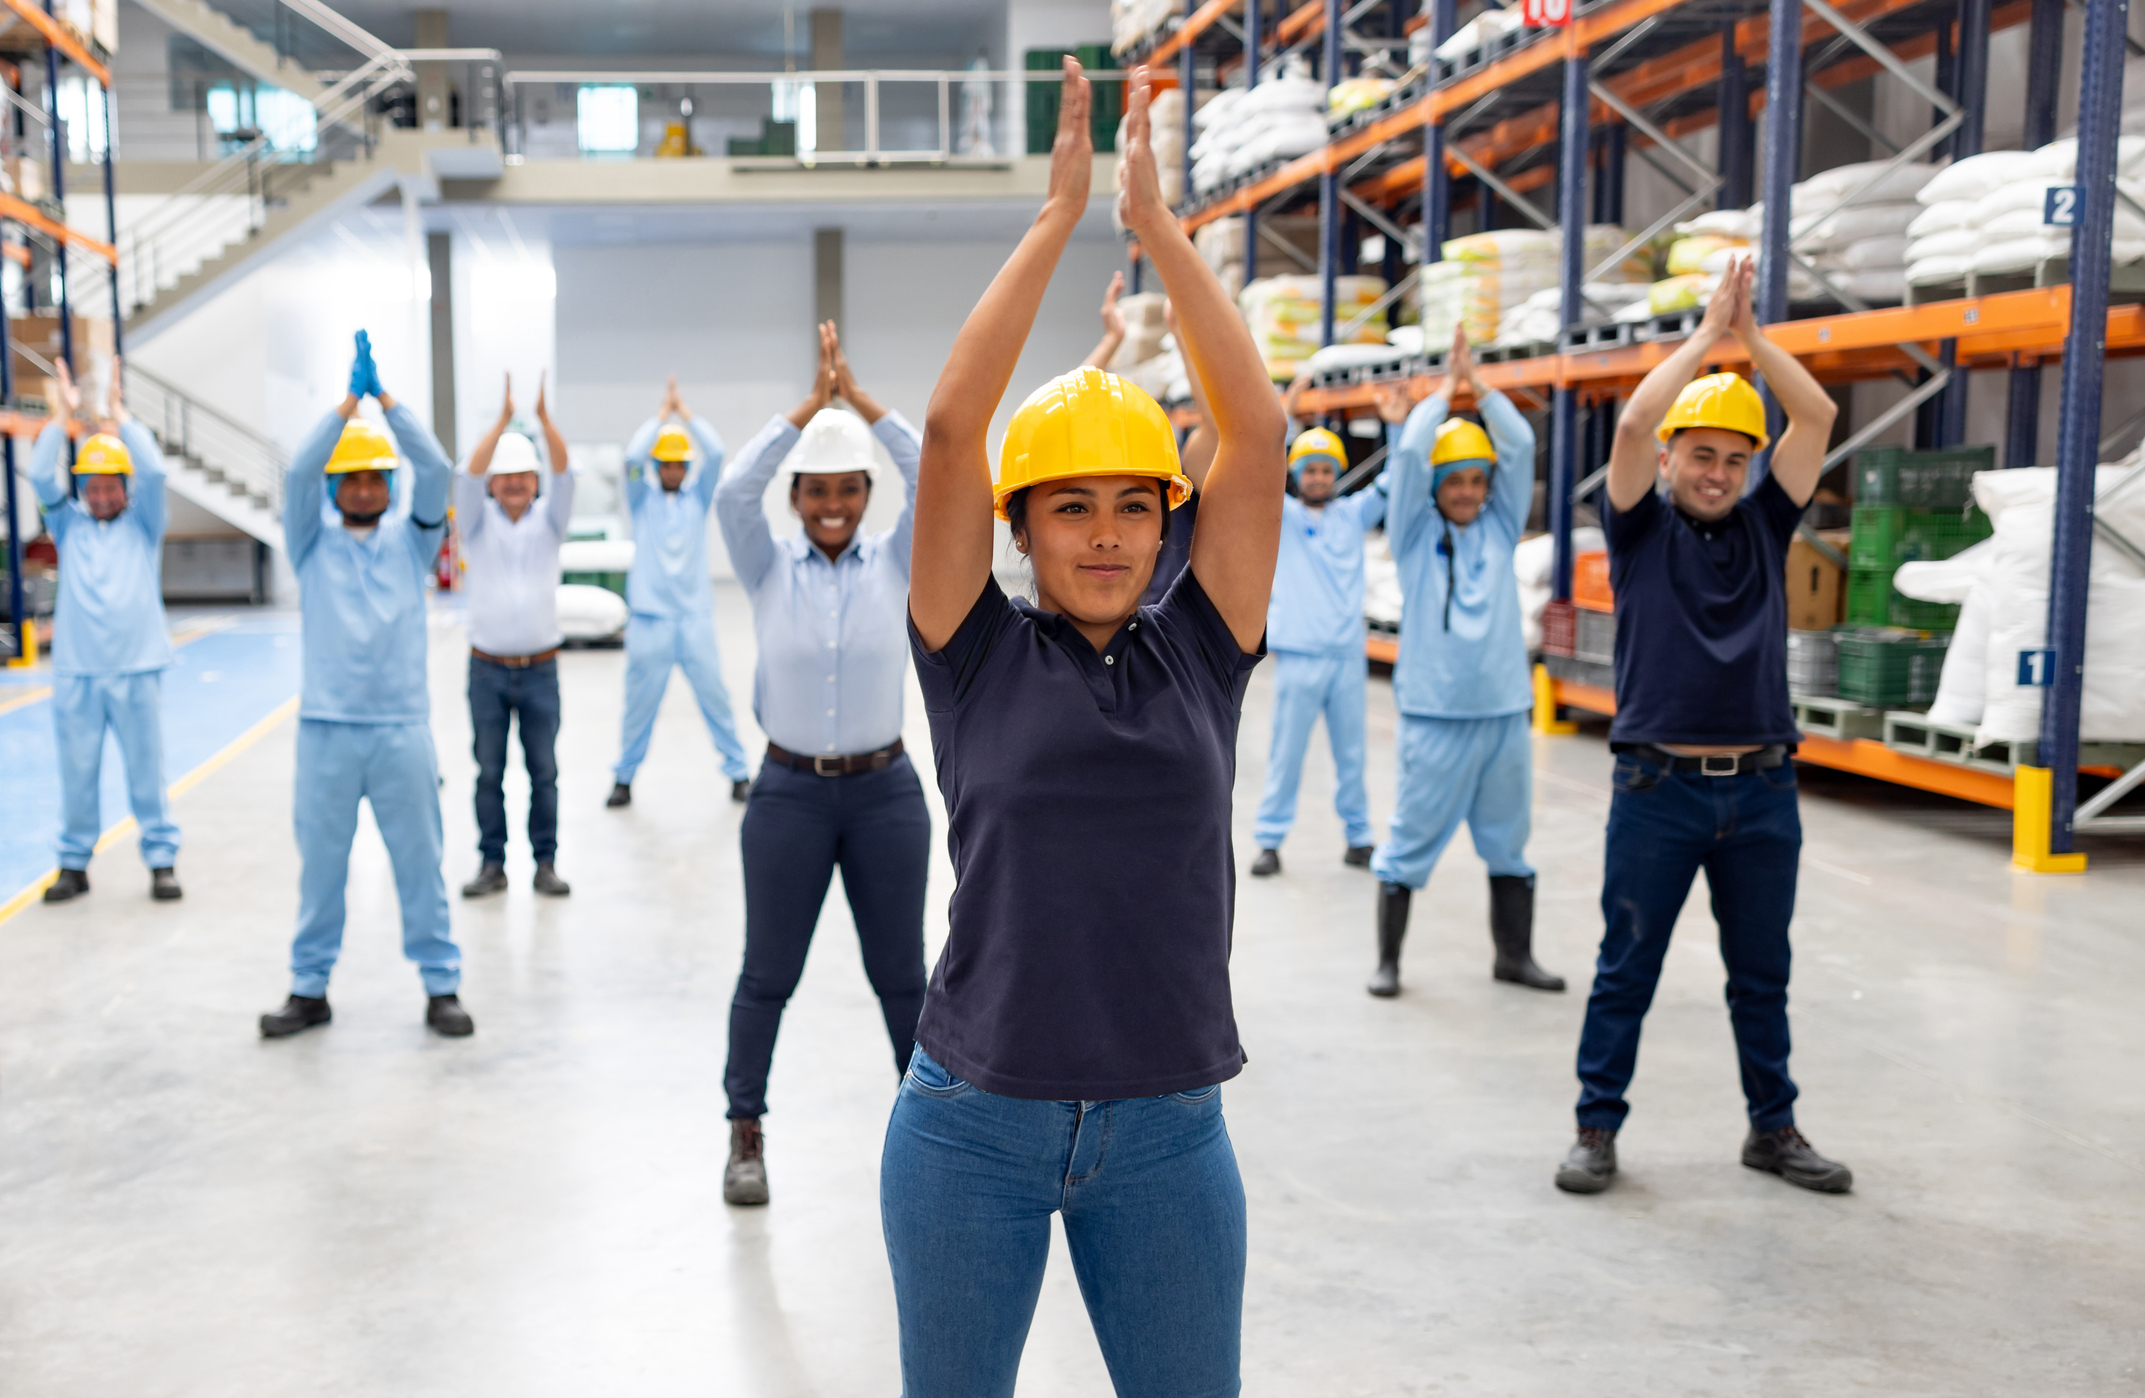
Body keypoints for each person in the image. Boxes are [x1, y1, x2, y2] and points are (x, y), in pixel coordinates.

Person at [884, 60, 1286, 1396]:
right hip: (970, 1129)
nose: (1107, 534)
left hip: (1168, 1132)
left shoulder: (1203, 651)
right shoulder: (972, 653)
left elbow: (1258, 431)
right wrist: (1058, 217)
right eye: (1070, 506)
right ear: (1020, 526)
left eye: (1134, 505)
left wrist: (1159, 230)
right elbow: (953, 429)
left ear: (1168, 522)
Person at [1556, 255, 1851, 1196]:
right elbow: (1632, 422)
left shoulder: (1767, 525)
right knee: (1626, 969)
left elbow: (1817, 417)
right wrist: (1704, 340)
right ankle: (1595, 1128)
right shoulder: (1638, 531)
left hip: (1761, 791)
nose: (1718, 473)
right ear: (1672, 460)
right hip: (1658, 791)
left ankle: (1773, 1128)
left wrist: (1751, 340)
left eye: (1733, 458)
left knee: (1761, 975)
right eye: (1701, 455)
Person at [711, 321, 930, 1207]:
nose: (832, 504)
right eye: (816, 490)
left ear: (867, 496)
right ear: (796, 497)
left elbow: (935, 474)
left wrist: (864, 406)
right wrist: (808, 409)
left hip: (886, 796)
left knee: (902, 977)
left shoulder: (898, 562)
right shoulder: (765, 568)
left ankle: (931, 1133)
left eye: (847, 489)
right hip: (788, 796)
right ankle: (744, 1131)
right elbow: (734, 490)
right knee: (767, 975)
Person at [260, 332, 471, 1040]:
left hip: (401, 730)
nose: (362, 488)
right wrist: (345, 409)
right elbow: (299, 474)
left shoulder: (413, 543)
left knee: (420, 863)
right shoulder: (310, 543)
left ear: (389, 487)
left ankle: (441, 985)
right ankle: (309, 988)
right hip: (326, 730)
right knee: (321, 868)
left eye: (375, 478)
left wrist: (386, 401)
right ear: (335, 488)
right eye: (351, 479)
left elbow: (435, 467)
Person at [1365, 329, 1563, 998]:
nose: (1470, 491)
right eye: (1457, 480)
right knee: (1409, 840)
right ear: (1437, 486)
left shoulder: (1501, 528)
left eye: (1479, 480)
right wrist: (1443, 396)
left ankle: (1514, 957)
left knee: (1509, 842)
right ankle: (1388, 962)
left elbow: (1521, 446)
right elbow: (1411, 456)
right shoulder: (1414, 535)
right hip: (1435, 717)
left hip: (1504, 715)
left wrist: (1480, 390)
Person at [32, 360, 183, 904]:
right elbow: (39, 475)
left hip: (138, 666)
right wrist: (63, 416)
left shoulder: (145, 525)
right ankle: (74, 864)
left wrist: (121, 415)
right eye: (90, 487)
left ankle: (161, 860)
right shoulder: (68, 524)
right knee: (77, 772)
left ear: (124, 487)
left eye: (109, 487)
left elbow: (157, 473)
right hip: (78, 671)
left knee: (146, 769)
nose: (99, 496)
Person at [455, 372, 575, 900]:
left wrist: (543, 422)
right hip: (487, 669)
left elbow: (565, 472)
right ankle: (492, 864)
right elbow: (466, 476)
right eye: (504, 477)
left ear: (535, 481)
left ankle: (545, 864)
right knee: (489, 773)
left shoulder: (550, 522)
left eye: (524, 476)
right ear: (492, 484)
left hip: (541, 669)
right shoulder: (476, 524)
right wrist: (503, 421)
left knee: (544, 772)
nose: (514, 484)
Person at [606, 377, 752, 809]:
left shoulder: (697, 499)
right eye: (666, 464)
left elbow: (717, 452)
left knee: (715, 698)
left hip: (694, 618)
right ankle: (624, 778)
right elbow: (631, 457)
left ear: (687, 468)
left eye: (679, 465)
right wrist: (660, 417)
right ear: (657, 466)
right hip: (649, 619)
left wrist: (685, 415)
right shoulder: (641, 499)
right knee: (638, 705)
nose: (672, 471)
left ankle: (738, 772)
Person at [1247, 423, 1384, 876]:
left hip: (1346, 658)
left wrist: (1399, 424)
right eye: (1311, 469)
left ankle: (1359, 838)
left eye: (1327, 470)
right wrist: (1277, 421)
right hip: (1299, 658)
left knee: (1352, 756)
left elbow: (1397, 476)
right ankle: (1269, 842)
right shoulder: (1282, 515)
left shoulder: (1354, 515)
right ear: (1297, 474)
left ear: (1337, 473)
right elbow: (1258, 472)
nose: (1319, 477)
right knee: (1286, 755)